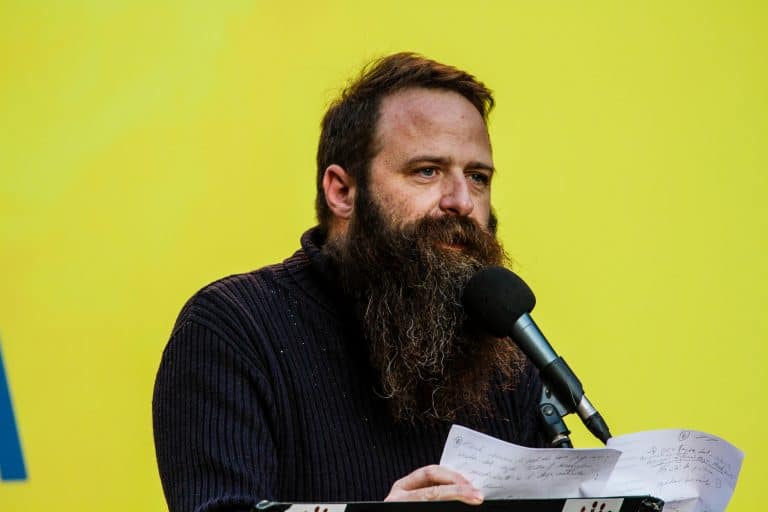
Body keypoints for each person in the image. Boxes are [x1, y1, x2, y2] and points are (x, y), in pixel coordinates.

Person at [153, 52, 547, 512]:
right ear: (341, 192)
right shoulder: (233, 330)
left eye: (478, 178)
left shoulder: (503, 352)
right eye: (427, 171)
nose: (462, 201)